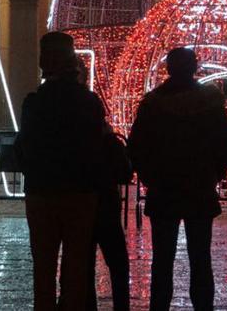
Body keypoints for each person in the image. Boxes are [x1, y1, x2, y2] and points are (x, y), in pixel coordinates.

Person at [128, 47, 227, 311]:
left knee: (162, 259)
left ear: (168, 68)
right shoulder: (210, 102)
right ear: (194, 67)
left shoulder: (153, 104)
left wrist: (150, 177)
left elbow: (137, 146)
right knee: (201, 258)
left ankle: (159, 306)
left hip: (164, 189)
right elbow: (225, 145)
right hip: (199, 187)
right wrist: (214, 174)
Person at [13, 33, 106, 311]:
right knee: (75, 267)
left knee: (43, 267)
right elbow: (96, 148)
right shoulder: (89, 102)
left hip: (42, 193)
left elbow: (24, 147)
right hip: (80, 194)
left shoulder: (34, 103)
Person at [87, 121, 132, 311]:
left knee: (84, 266)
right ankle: (121, 307)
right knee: (118, 265)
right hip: (107, 207)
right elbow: (125, 172)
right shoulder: (109, 142)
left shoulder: (76, 137)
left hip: (82, 207)